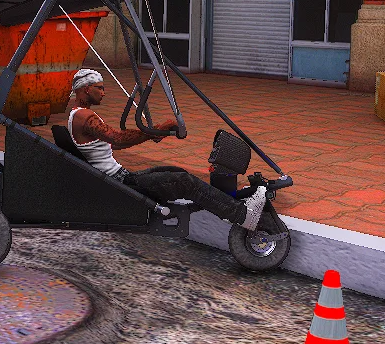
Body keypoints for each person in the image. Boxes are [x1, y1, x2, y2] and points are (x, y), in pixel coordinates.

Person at [66, 68, 267, 230]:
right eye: (99, 88)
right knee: (184, 182)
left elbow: (117, 141)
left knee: (175, 172)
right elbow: (118, 139)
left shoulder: (79, 115)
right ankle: (242, 215)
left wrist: (153, 132)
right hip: (119, 182)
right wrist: (155, 131)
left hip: (120, 176)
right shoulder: (84, 117)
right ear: (86, 89)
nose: (103, 93)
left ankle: (225, 206)